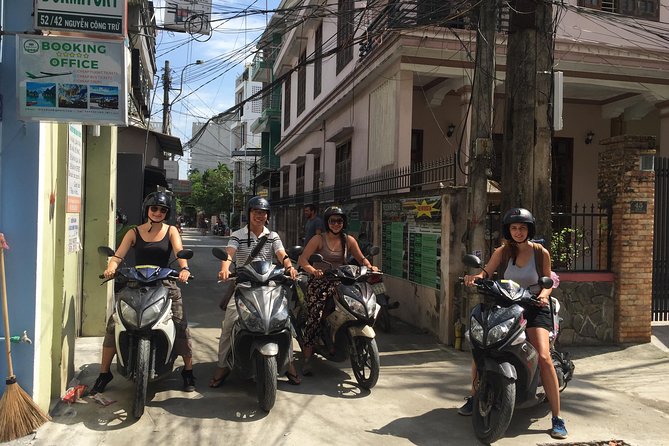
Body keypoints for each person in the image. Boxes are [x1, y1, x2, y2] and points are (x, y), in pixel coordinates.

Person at [459, 207, 568, 440]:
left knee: (544, 356)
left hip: (534, 308)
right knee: (482, 345)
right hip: (507, 305)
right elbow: (486, 273)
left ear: (529, 229)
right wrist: (474, 278)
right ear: (508, 230)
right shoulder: (503, 251)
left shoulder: (540, 252)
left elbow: (548, 282)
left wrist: (543, 295)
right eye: (514, 228)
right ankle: (475, 395)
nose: (518, 232)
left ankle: (557, 418)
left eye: (522, 227)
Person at [91, 191, 196, 394]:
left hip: (165, 283)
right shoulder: (134, 232)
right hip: (136, 283)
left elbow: (179, 253)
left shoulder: (171, 231)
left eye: (162, 210)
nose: (157, 212)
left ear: (167, 212)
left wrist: (184, 269)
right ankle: (104, 373)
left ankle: (188, 371)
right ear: (147, 210)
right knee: (115, 323)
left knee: (180, 323)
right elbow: (119, 255)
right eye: (154, 208)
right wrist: (111, 266)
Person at [210, 196, 301, 387]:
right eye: (256, 212)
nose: (259, 216)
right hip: (244, 285)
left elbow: (282, 254)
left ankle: (289, 363)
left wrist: (289, 267)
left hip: (269, 285)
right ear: (249, 213)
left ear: (267, 216)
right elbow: (229, 254)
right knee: (229, 324)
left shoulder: (272, 236)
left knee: (285, 322)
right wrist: (225, 268)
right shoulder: (238, 235)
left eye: (263, 213)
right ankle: (222, 365)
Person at [297, 206, 380, 375]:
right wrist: (313, 271)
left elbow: (361, 258)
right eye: (332, 221)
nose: (336, 224)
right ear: (327, 222)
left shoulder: (348, 240)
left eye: (339, 221)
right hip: (320, 282)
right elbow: (303, 260)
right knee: (315, 316)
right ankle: (306, 358)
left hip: (342, 281)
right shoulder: (318, 239)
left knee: (356, 304)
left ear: (344, 222)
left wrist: (370, 266)